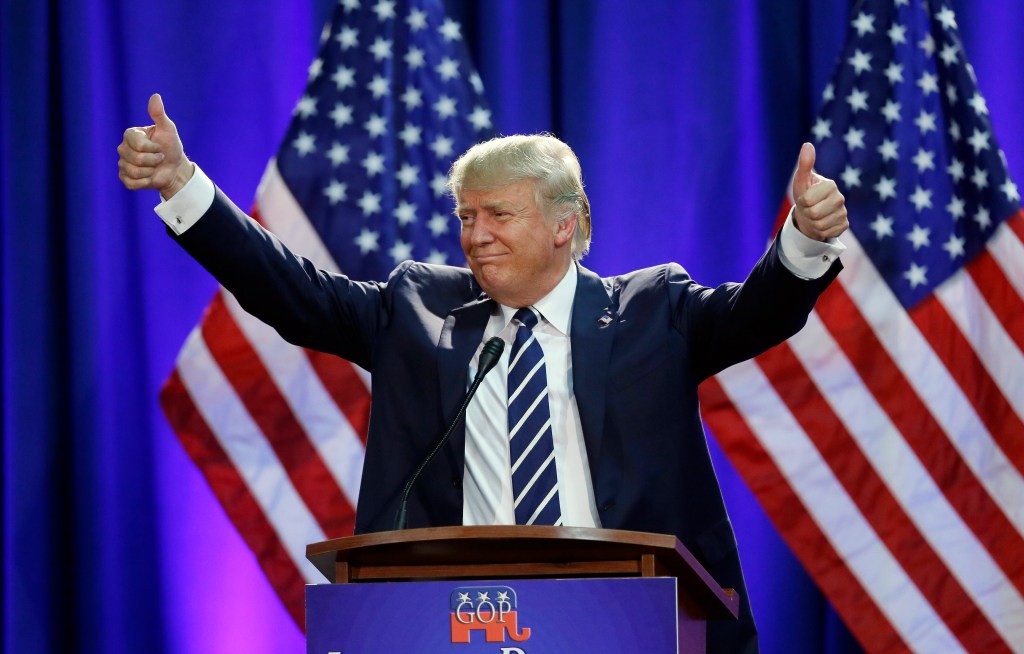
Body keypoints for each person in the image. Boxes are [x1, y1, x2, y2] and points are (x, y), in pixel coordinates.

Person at [119, 93, 848, 653]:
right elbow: (292, 291)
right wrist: (185, 188)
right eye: (466, 217)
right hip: (456, 625)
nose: (474, 236)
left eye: (498, 215)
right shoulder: (416, 309)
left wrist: (803, 242)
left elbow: (759, 314)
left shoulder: (654, 311)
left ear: (566, 224)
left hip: (634, 622)